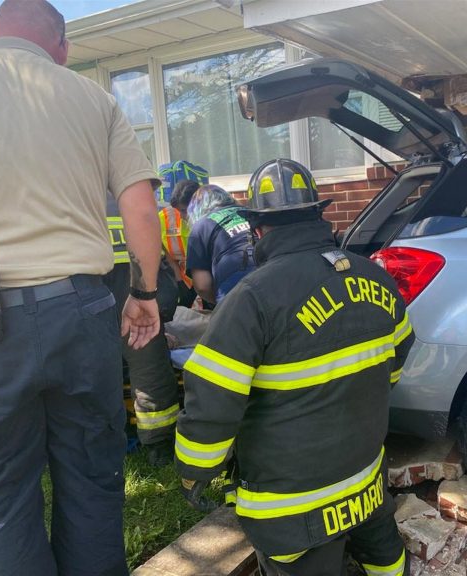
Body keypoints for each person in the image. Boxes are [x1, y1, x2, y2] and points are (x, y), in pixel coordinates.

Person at [0, 1, 162, 574]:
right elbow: (140, 206)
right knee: (92, 477)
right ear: (62, 50)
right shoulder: (95, 98)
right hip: (82, 310)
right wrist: (143, 295)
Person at [175, 159, 415, 575]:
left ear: (258, 230)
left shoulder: (251, 299)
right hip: (365, 483)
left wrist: (193, 472)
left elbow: (212, 400)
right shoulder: (376, 278)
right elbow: (395, 361)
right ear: (317, 216)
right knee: (387, 559)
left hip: (294, 512)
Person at [104, 194, 181, 466]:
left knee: (93, 373)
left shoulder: (74, 199)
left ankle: (105, 442)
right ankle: (159, 447)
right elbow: (165, 283)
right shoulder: (135, 203)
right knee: (150, 371)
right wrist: (161, 316)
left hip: (85, 299)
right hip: (135, 295)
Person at [185, 183, 256, 305]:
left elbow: (202, 285)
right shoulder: (251, 212)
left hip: (235, 285)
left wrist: (223, 304)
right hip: (271, 275)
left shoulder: (200, 227)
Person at [159, 164, 209, 309]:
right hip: (182, 277)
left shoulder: (210, 217)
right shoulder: (164, 218)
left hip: (208, 274)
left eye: (184, 210)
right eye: (178, 210)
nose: (181, 216)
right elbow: (163, 250)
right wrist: (179, 281)